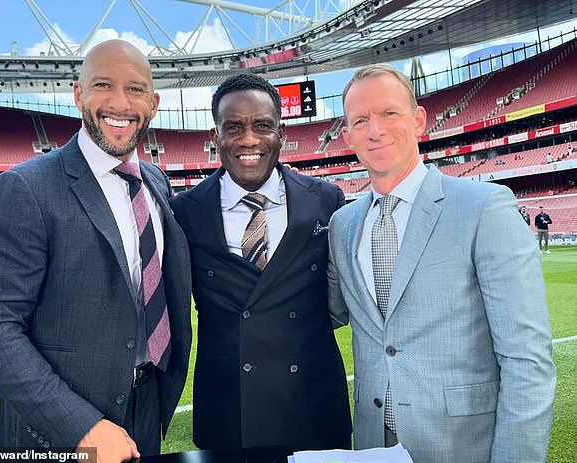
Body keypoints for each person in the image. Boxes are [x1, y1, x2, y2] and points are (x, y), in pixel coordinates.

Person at [0, 40, 191, 462]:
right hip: (52, 434)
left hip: (145, 406)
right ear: (79, 93)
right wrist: (79, 426)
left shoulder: (155, 181)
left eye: (135, 89)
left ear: (153, 103)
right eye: (103, 84)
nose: (120, 102)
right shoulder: (22, 189)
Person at [328, 64, 555, 462]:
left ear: (418, 120)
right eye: (360, 120)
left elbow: (526, 359)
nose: (375, 129)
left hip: (463, 445)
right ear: (347, 135)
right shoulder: (342, 225)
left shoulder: (485, 207)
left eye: (389, 113)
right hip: (372, 444)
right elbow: (325, 314)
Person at [170, 74, 351, 452]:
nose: (249, 140)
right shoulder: (184, 211)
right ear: (215, 136)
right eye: (233, 127)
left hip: (313, 405)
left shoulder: (325, 200)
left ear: (281, 133)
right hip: (229, 410)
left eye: (262, 126)